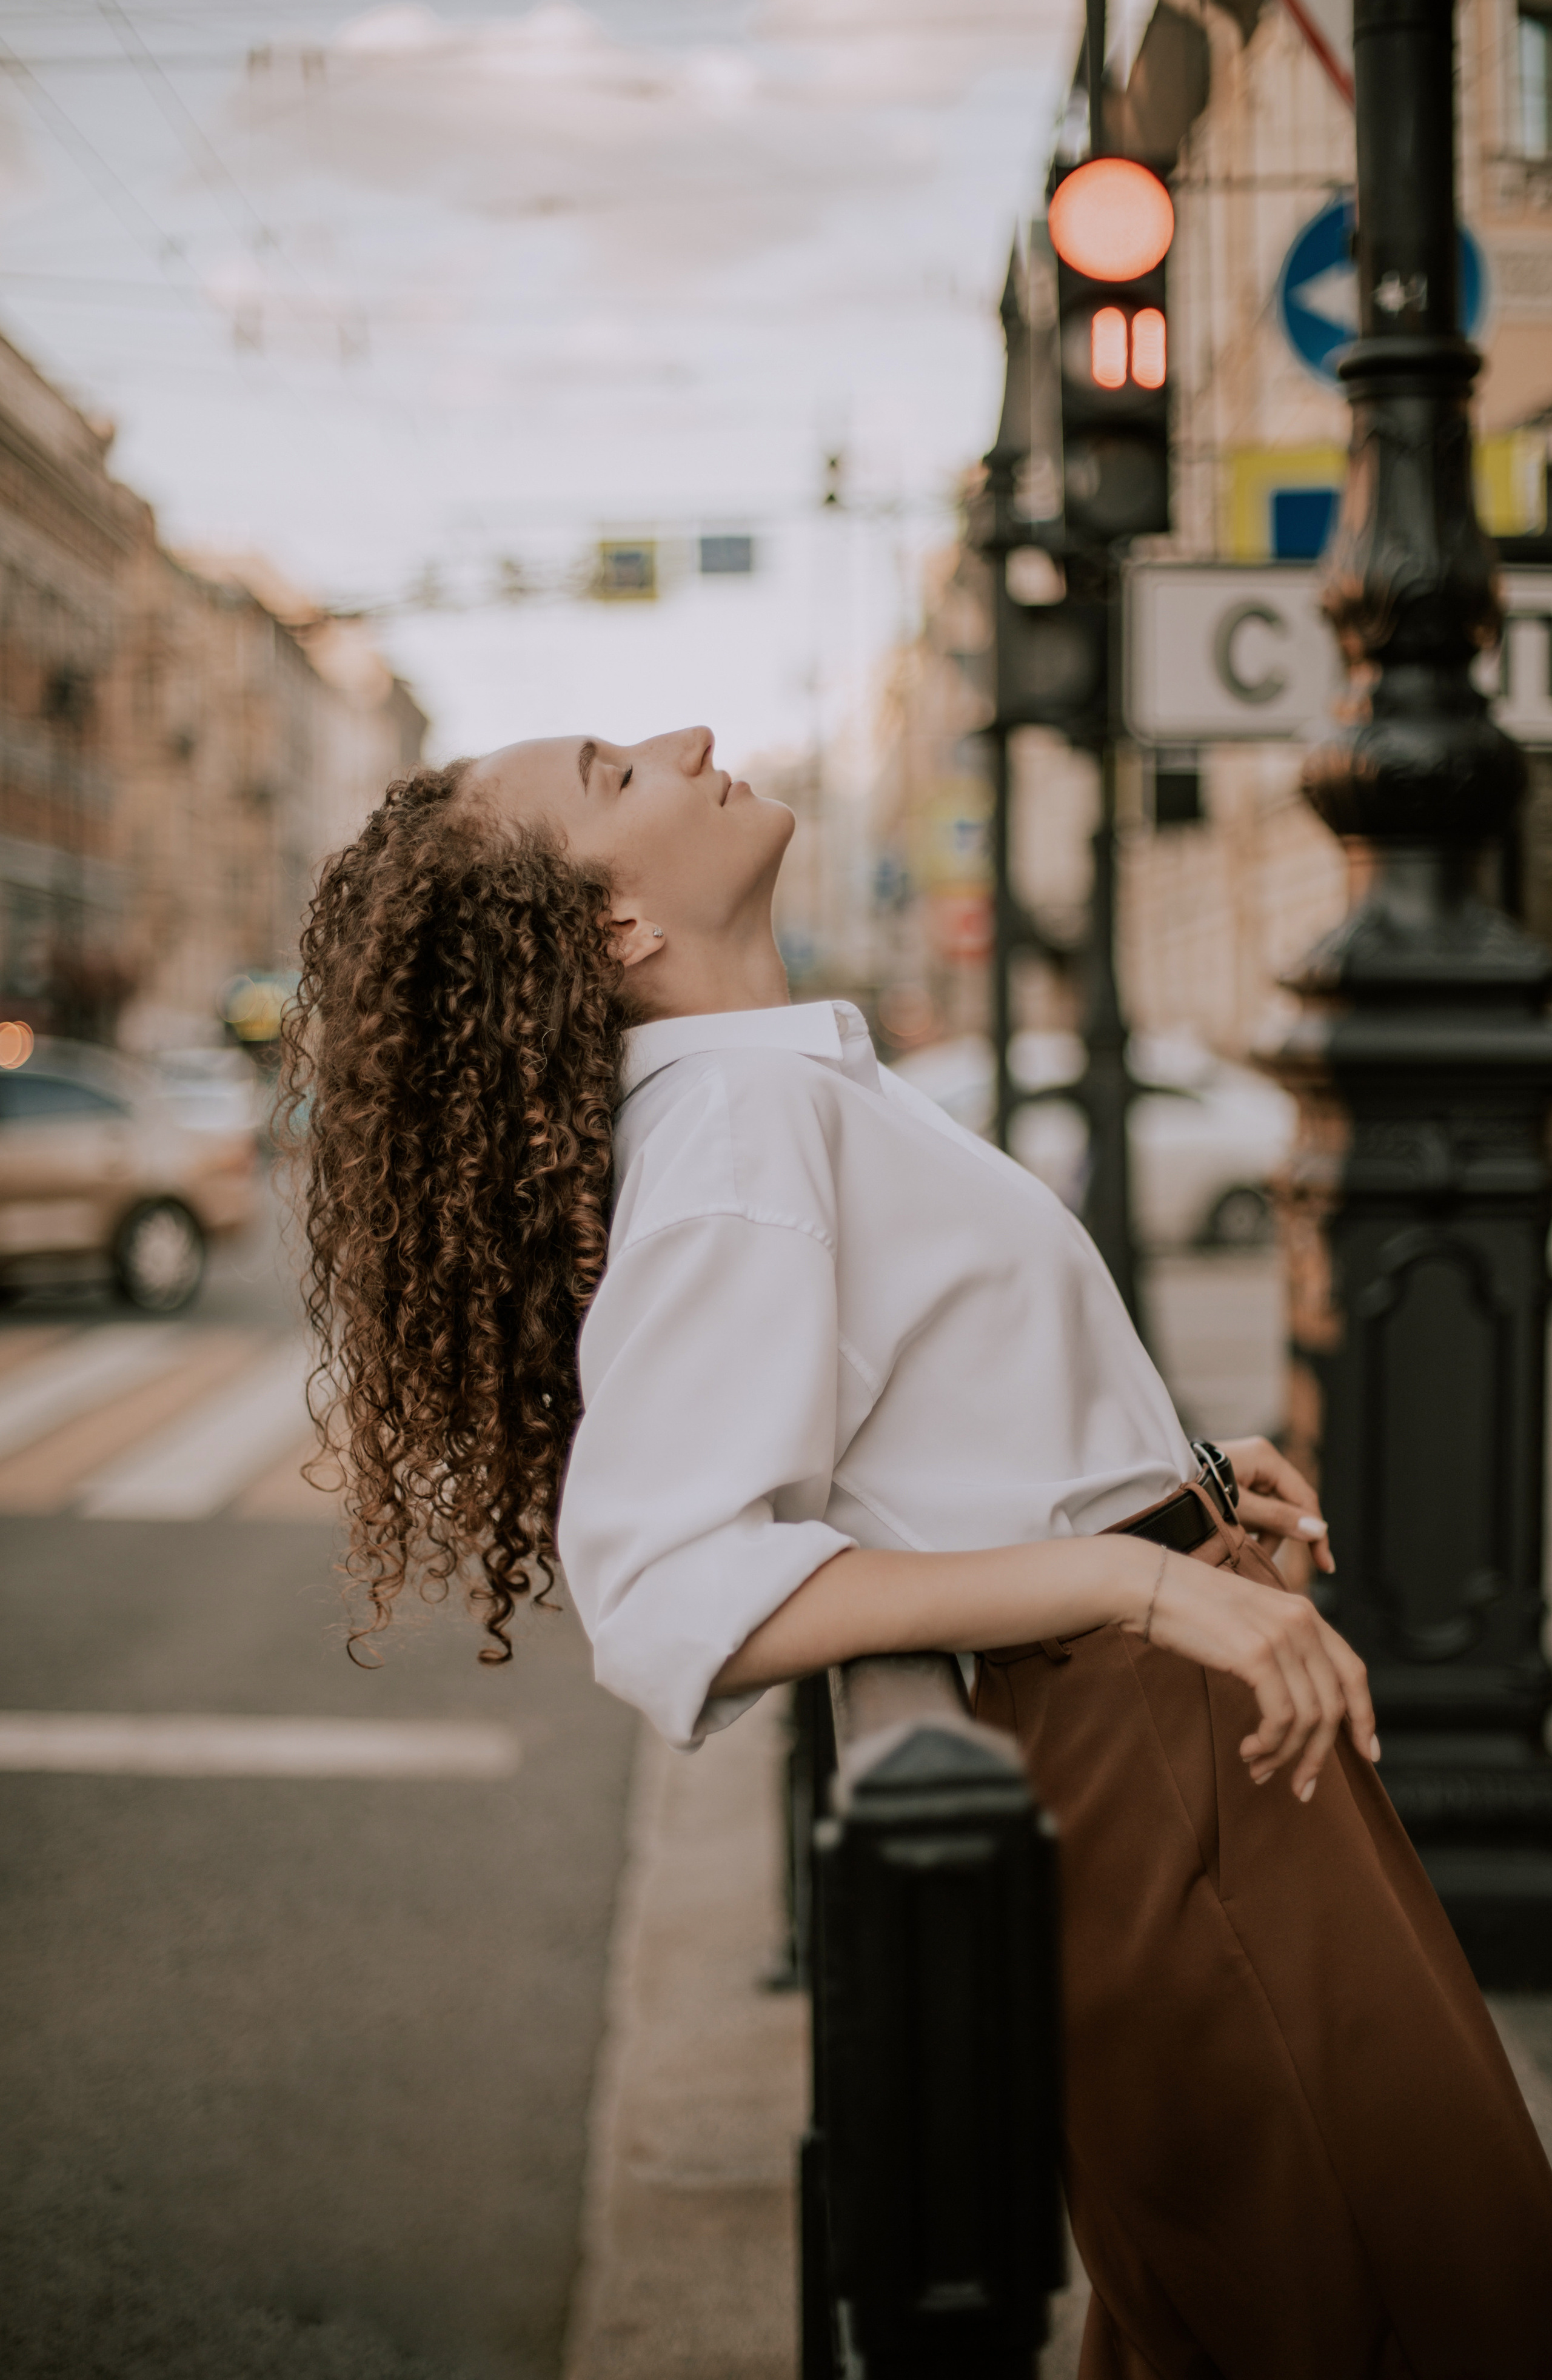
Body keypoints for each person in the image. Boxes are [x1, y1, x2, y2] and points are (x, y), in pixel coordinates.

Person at [287, 725, 1552, 2379]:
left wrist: (1158, 1488)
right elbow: (671, 1588)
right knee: (1362, 2281)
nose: (688, 743)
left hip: (1196, 1734)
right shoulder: (737, 1131)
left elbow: (928, 1413)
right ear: (614, 928)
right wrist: (1134, 1576)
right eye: (614, 772)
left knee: (1317, 2262)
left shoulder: (781, 1088)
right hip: (1149, 1754)